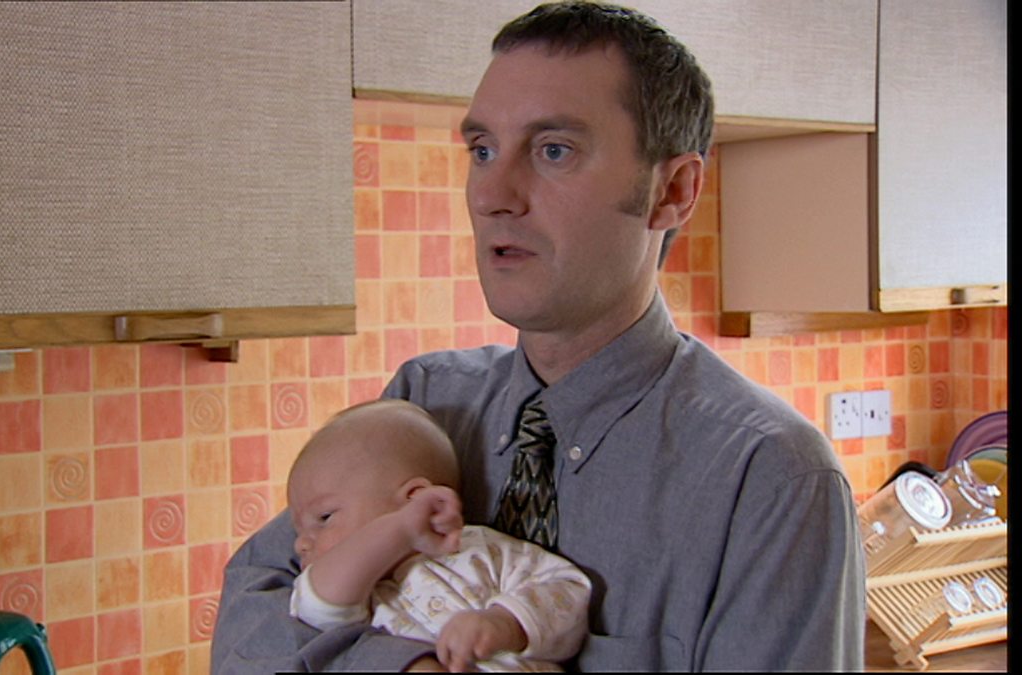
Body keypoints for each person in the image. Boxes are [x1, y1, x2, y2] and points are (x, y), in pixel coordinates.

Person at [211, 2, 866, 671]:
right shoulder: (424, 405)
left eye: (554, 150)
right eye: (482, 150)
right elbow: (250, 618)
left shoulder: (770, 480)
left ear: (672, 191)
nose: (492, 194)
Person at [286, 399, 592, 672]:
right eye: (299, 530)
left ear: (416, 499)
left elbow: (567, 590)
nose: (300, 543)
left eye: (324, 517)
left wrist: (504, 623)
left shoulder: (478, 549)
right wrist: (399, 531)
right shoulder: (363, 599)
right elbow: (318, 605)